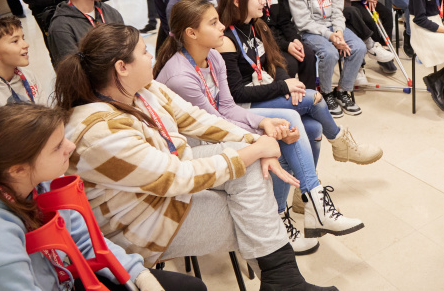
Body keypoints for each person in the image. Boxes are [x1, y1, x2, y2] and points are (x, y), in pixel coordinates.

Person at [55, 24, 337, 291]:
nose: (150, 55)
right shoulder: (98, 132)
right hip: (141, 224)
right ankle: (283, 280)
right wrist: (256, 149)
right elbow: (173, 178)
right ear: (121, 67)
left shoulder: (142, 90)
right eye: (143, 52)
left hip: (163, 190)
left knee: (253, 191)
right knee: (254, 217)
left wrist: (257, 141)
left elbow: (198, 119)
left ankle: (283, 281)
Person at [155, 0, 374, 254]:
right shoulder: (181, 76)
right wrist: (261, 134)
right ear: (191, 33)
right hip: (195, 146)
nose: (221, 27)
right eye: (213, 23)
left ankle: (306, 207)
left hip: (219, 125)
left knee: (306, 128)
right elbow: (211, 126)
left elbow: (226, 107)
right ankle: (296, 213)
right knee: (282, 137)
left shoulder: (213, 56)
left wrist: (265, 122)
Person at [0, 103, 207, 291]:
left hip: (59, 279)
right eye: (57, 147)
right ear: (18, 168)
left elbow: (84, 240)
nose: (71, 146)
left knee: (190, 287)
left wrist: (137, 273)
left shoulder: (33, 184)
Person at [289, 0, 364, 116]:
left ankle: (342, 91)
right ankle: (326, 93)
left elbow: (338, 10)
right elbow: (302, 22)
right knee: (329, 53)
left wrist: (338, 31)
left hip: (332, 26)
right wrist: (330, 36)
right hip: (310, 30)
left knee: (359, 47)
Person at [241, 0, 316, 88]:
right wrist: (286, 46)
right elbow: (260, 31)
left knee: (308, 54)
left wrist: (294, 39)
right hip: (265, 41)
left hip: (282, 38)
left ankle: (310, 96)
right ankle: (291, 98)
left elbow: (285, 22)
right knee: (289, 64)